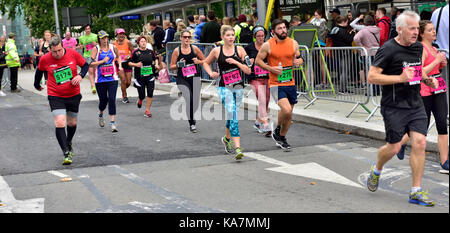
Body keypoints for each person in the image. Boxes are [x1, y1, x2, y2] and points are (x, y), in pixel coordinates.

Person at [366, 11, 440, 207]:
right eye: (412, 28)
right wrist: (399, 78)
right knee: (394, 147)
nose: (416, 32)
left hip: (415, 104)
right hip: (394, 106)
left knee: (420, 142)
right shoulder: (388, 49)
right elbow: (372, 77)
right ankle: (377, 169)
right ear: (400, 29)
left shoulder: (417, 48)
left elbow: (416, 71)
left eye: (417, 28)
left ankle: (415, 190)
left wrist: (427, 80)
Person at [393, 20, 448, 173]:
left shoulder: (435, 48)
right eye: (430, 30)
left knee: (442, 123)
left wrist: (441, 63)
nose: (434, 32)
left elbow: (436, 66)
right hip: (425, 89)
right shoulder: (420, 49)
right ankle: (401, 142)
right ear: (422, 34)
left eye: (434, 30)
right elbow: (421, 71)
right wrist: (436, 61)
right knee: (421, 126)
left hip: (439, 87)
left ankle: (445, 162)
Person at [34, 35, 90, 165]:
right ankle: (66, 152)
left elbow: (85, 65)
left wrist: (80, 75)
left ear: (62, 46)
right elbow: (39, 71)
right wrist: (37, 85)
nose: (58, 54)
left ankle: (68, 141)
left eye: (59, 50)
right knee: (60, 122)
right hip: (55, 95)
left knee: (72, 123)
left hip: (73, 94)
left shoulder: (73, 54)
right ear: (49, 50)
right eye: (54, 51)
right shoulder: (45, 59)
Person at [202, 25, 252, 160]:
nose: (231, 37)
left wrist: (237, 63)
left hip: (238, 86)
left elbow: (248, 70)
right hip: (223, 86)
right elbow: (205, 63)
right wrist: (210, 73)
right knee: (233, 113)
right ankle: (237, 148)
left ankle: (226, 138)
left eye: (232, 35)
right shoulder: (217, 51)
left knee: (232, 114)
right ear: (222, 37)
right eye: (228, 35)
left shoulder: (240, 50)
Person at [255, 19, 304, 150]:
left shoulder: (293, 43)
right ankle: (275, 126)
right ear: (273, 31)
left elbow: (298, 57)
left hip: (290, 82)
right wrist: (271, 69)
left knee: (289, 115)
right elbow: (258, 61)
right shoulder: (268, 45)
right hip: (275, 83)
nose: (283, 30)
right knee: (286, 110)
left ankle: (281, 137)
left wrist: (300, 61)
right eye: (280, 28)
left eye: (284, 28)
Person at [170, 29, 206, 132]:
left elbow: (205, 60)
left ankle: (191, 116)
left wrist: (198, 61)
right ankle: (191, 123)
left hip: (194, 78)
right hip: (182, 79)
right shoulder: (177, 51)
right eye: (185, 37)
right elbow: (171, 66)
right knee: (189, 99)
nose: (187, 39)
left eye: (189, 37)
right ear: (181, 38)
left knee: (195, 102)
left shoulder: (194, 49)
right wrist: (179, 64)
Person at [90, 30, 122, 132]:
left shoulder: (113, 47)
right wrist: (103, 61)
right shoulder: (96, 49)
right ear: (99, 39)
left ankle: (112, 123)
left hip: (113, 78)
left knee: (112, 99)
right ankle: (100, 113)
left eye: (106, 38)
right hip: (100, 80)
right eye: (103, 38)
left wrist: (120, 66)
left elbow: (119, 56)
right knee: (103, 101)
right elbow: (90, 64)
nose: (105, 40)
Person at [245, 26, 271, 136]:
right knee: (261, 98)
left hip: (267, 76)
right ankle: (265, 124)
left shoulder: (269, 46)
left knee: (266, 100)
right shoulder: (249, 47)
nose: (260, 38)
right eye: (258, 36)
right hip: (254, 77)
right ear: (254, 36)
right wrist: (248, 62)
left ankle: (258, 121)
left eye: (262, 36)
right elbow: (243, 59)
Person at [128, 36, 160, 118]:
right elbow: (129, 63)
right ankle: (140, 99)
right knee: (142, 94)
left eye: (145, 41)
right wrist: (136, 64)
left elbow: (155, 58)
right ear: (138, 43)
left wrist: (156, 64)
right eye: (141, 41)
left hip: (150, 75)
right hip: (139, 77)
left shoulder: (150, 51)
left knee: (150, 93)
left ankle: (147, 110)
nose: (143, 43)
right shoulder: (135, 52)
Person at [113, 28, 134, 104]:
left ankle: (123, 88)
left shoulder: (128, 42)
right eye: (120, 34)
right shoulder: (113, 44)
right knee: (123, 80)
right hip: (118, 63)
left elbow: (133, 52)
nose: (121, 35)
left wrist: (128, 56)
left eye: (123, 34)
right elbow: (111, 53)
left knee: (128, 82)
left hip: (127, 63)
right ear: (117, 35)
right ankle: (124, 96)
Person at [77, 24, 98, 94]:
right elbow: (80, 45)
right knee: (91, 71)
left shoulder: (95, 36)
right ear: (84, 30)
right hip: (87, 56)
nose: (88, 30)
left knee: (95, 71)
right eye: (86, 29)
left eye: (89, 28)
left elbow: (100, 44)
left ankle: (95, 83)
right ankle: (93, 86)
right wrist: (80, 46)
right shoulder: (81, 38)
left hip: (95, 55)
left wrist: (96, 44)